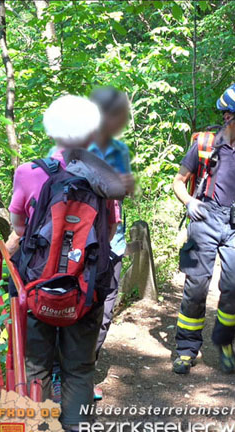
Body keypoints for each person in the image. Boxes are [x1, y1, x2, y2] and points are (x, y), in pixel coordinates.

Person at [8, 95, 119, 432]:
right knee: (79, 369)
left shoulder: (28, 172)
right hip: (85, 293)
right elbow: (109, 229)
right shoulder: (102, 176)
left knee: (35, 367)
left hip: (38, 292)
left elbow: (20, 231)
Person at [171, 83, 235, 375]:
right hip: (202, 220)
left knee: (232, 289)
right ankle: (187, 349)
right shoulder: (203, 144)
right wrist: (189, 202)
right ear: (230, 117)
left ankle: (225, 343)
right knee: (195, 287)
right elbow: (178, 181)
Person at [88, 86, 134, 401]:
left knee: (94, 306)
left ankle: (73, 374)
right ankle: (79, 374)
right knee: (98, 306)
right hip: (96, 243)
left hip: (93, 244)